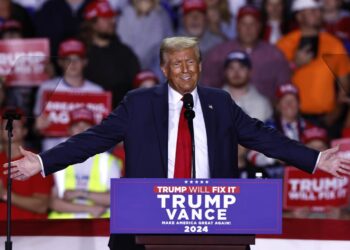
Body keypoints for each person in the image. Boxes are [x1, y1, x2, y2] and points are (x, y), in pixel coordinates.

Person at [4, 37, 350, 250]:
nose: (185, 69)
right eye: (177, 64)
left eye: (191, 62)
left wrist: (317, 160)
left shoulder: (220, 102)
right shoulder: (138, 104)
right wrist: (43, 163)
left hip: (214, 225)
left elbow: (265, 138)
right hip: (149, 224)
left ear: (200, 66)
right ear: (164, 69)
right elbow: (94, 139)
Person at [276, 0, 350, 127]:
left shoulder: (334, 44)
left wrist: (335, 114)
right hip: (293, 118)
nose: (317, 13)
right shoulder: (284, 44)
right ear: (299, 16)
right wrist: (295, 64)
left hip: (327, 119)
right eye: (311, 10)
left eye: (318, 10)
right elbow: (274, 82)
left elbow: (345, 85)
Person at [201, 5, 291, 100]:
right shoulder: (219, 53)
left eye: (253, 24)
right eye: (244, 24)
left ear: (259, 27)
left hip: (264, 112)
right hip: (227, 110)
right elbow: (207, 87)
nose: (248, 29)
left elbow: (285, 89)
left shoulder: (274, 55)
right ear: (237, 26)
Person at [49, 107, 121, 219]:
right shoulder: (56, 158)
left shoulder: (108, 161)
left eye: (86, 126)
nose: (81, 129)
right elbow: (52, 202)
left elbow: (116, 199)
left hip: (99, 227)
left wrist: (80, 193)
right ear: (69, 130)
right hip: (63, 227)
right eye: (77, 126)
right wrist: (90, 208)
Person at [33, 38, 104, 151]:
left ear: (85, 61)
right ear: (60, 62)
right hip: (53, 150)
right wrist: (37, 127)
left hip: (87, 153)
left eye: (78, 59)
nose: (73, 64)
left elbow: (103, 130)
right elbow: (37, 126)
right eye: (68, 59)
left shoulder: (97, 91)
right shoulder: (46, 88)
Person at [80, 0, 140, 108]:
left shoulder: (124, 52)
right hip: (85, 113)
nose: (112, 21)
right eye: (106, 18)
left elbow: (137, 85)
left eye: (113, 17)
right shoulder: (80, 52)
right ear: (92, 23)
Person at [0, 108, 53, 220]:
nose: (11, 128)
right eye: (6, 125)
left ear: (25, 131)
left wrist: (5, 194)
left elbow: (42, 206)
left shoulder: (36, 160)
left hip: (30, 232)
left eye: (16, 125)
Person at [117, 0, 174, 70]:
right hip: (128, 69)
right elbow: (125, 51)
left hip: (155, 69)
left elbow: (169, 48)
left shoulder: (162, 15)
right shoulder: (125, 15)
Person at [222, 51, 272, 122]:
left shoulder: (262, 103)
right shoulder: (214, 102)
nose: (236, 72)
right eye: (231, 68)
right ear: (225, 72)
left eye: (241, 67)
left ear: (250, 72)